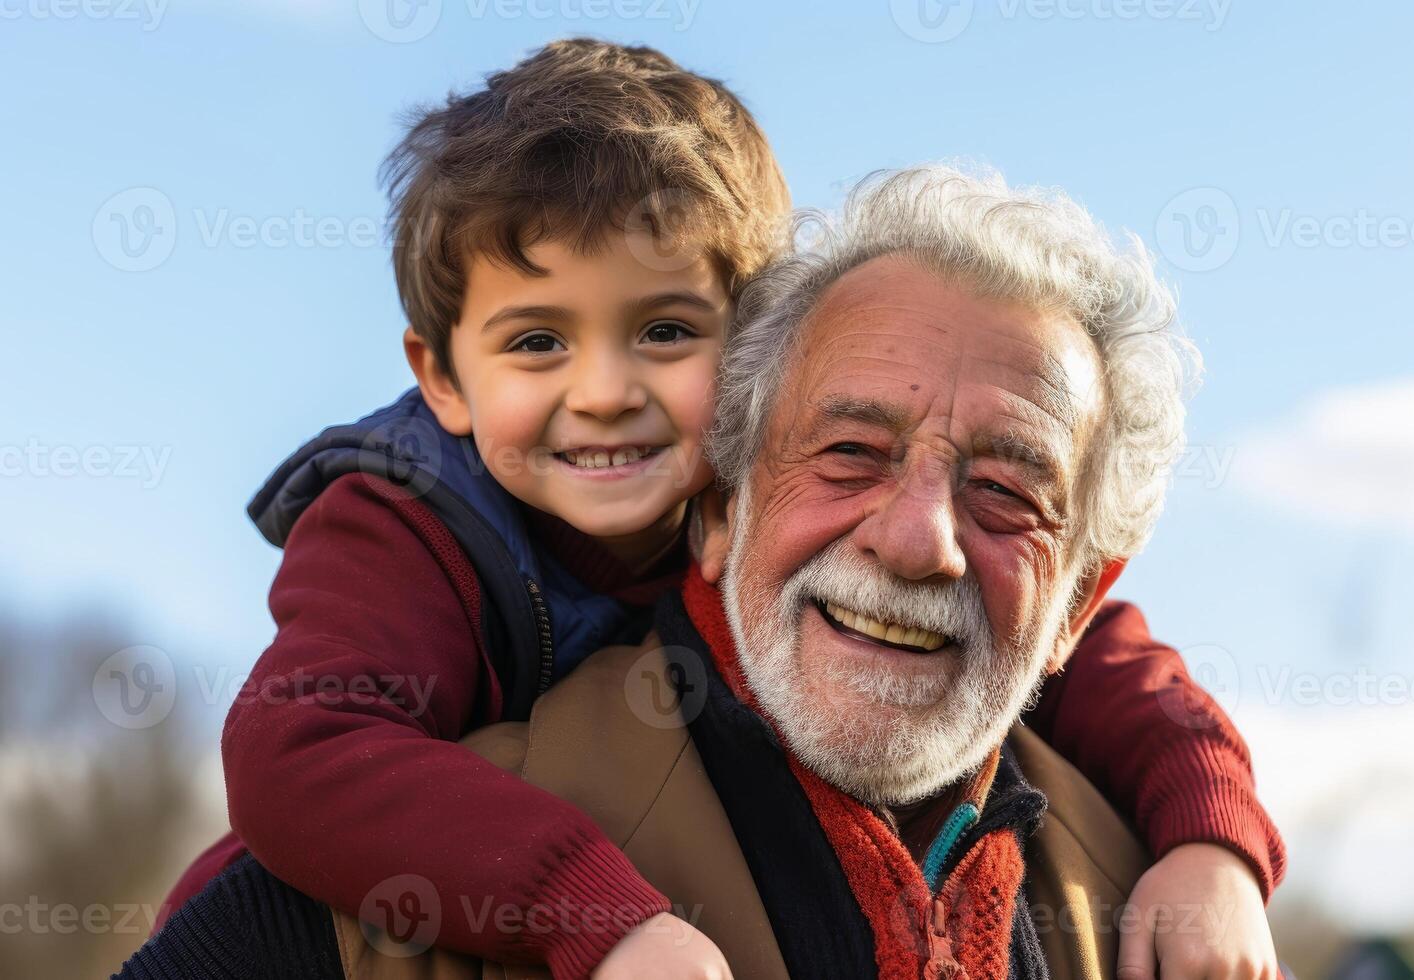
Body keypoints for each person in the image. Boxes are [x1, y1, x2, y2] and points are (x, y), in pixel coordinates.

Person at [150, 42, 1283, 979]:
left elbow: (1131, 679)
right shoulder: (402, 530)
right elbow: (298, 752)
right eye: (850, 452)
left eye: (1004, 491)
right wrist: (591, 909)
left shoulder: (1120, 871)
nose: (603, 392)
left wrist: (1213, 840)